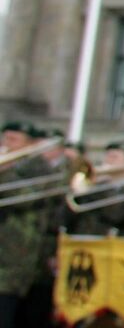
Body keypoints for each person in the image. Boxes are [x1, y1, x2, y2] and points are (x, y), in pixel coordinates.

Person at [0, 122, 57, 328]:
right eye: (5, 138)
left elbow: (26, 199)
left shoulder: (40, 169)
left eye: (14, 140)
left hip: (18, 258)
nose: (7, 144)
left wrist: (5, 172)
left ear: (31, 145)